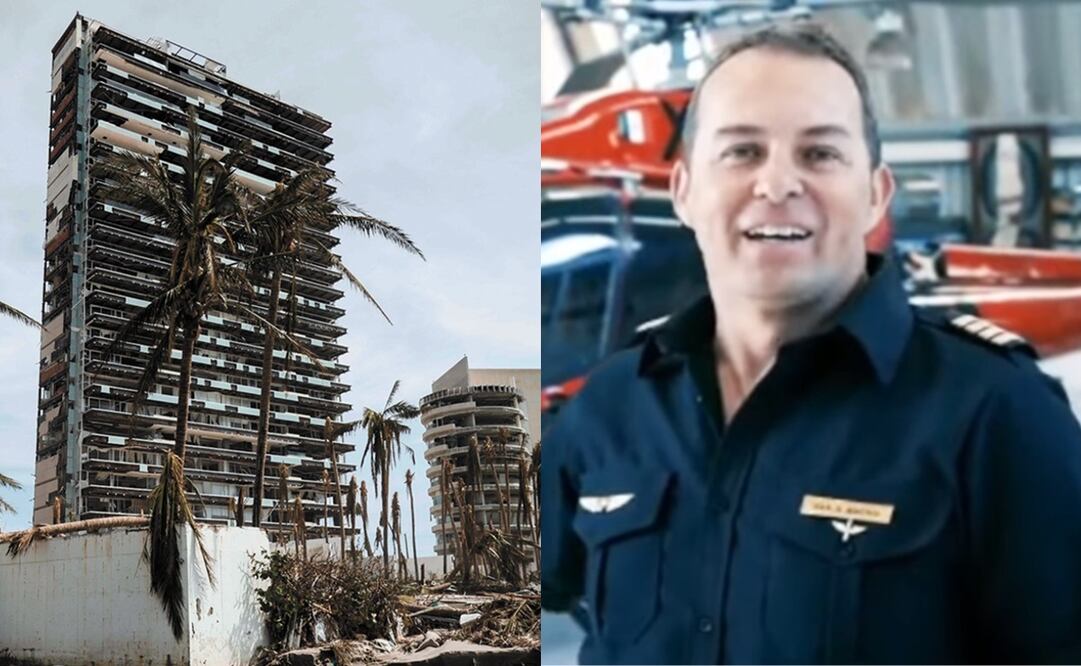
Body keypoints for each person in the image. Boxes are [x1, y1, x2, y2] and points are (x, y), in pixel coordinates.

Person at [541, 23, 1081, 665]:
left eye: (820, 154)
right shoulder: (608, 407)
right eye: (741, 152)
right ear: (684, 192)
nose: (777, 184)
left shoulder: (1000, 413)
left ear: (875, 194)